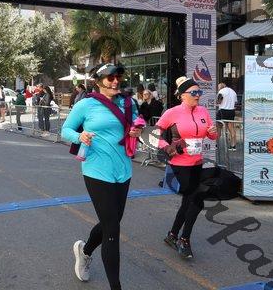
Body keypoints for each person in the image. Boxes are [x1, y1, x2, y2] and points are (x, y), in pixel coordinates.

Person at [61, 63, 142, 290]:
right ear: (98, 81)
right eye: (110, 78)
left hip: (123, 170)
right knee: (112, 229)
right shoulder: (86, 104)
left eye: (118, 77)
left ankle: (85, 251)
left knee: (112, 222)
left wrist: (136, 131)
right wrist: (80, 136)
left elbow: (137, 125)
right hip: (96, 171)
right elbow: (66, 130)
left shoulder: (128, 103)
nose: (115, 81)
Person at [158, 76, 218, 259]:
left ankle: (172, 235)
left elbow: (212, 136)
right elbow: (154, 135)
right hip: (179, 164)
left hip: (197, 163)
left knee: (187, 202)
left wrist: (213, 133)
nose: (198, 95)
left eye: (199, 92)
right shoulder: (172, 113)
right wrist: (168, 147)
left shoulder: (203, 111)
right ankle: (184, 239)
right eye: (194, 92)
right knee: (197, 200)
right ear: (182, 95)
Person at [216, 81, 238, 151]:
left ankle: (216, 145)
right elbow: (235, 103)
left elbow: (219, 101)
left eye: (218, 88)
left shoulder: (221, 91)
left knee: (218, 128)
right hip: (231, 111)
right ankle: (233, 146)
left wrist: (217, 103)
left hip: (222, 111)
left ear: (220, 87)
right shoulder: (233, 92)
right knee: (232, 129)